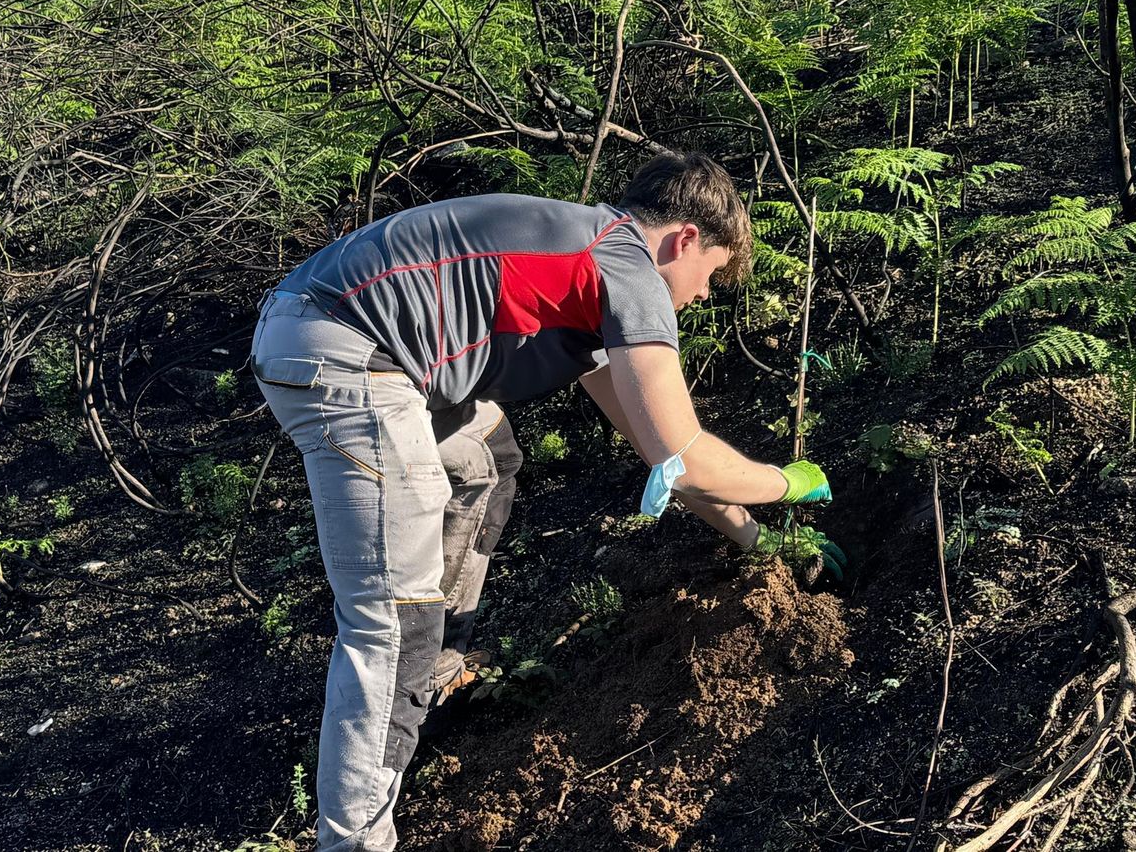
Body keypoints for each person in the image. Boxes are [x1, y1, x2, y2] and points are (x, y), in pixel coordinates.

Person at [250, 151, 842, 851]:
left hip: (318, 328)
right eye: (710, 274)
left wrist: (755, 540)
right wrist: (791, 481)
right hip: (350, 356)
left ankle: (431, 684)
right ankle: (355, 841)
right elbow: (684, 458)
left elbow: (655, 449)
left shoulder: (585, 266)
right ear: (683, 239)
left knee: (487, 463)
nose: (704, 295)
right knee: (393, 622)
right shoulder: (628, 265)